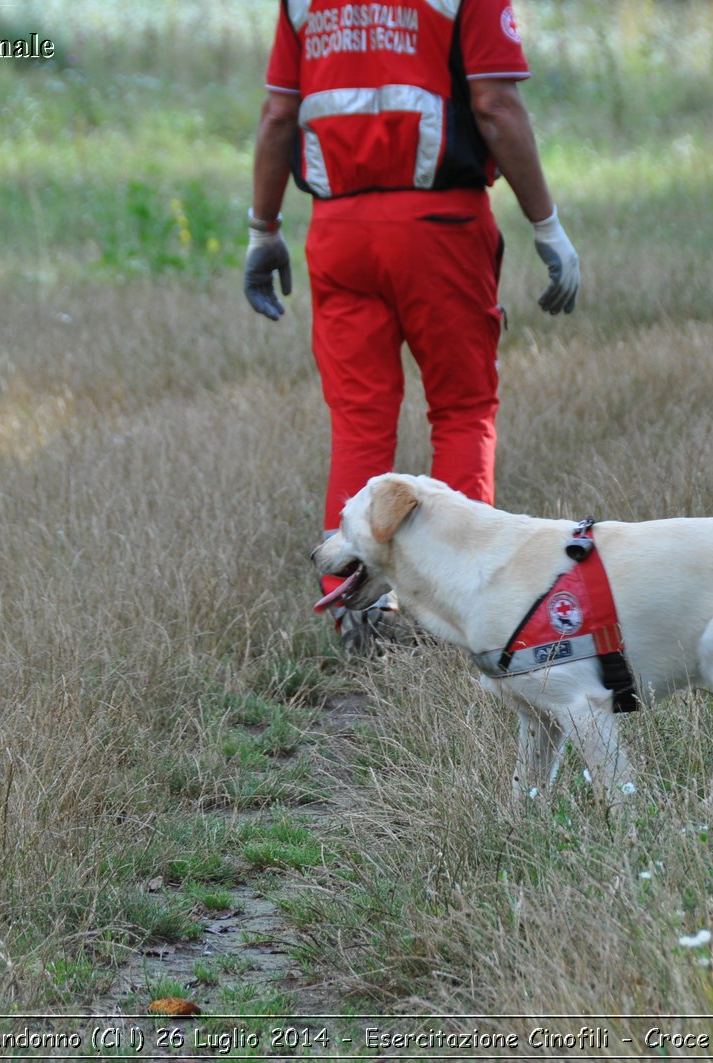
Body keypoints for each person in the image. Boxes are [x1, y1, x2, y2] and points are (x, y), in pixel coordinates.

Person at [244, 0, 580, 651]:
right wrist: (546, 223)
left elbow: (280, 113)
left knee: (359, 418)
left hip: (338, 231)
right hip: (441, 229)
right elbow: (496, 108)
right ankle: (454, 609)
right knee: (462, 410)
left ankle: (350, 609)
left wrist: (263, 228)